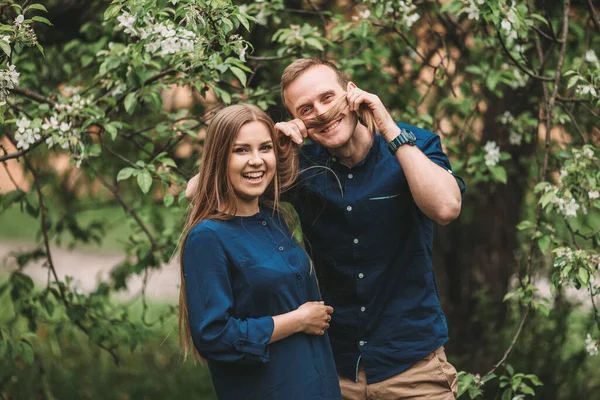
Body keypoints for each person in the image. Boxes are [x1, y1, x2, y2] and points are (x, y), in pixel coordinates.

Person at [187, 58, 464, 399]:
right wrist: (269, 142)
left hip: (412, 368)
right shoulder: (301, 163)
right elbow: (196, 190)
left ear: (351, 93)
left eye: (327, 98)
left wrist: (389, 128)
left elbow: (446, 208)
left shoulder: (410, 144)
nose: (319, 112)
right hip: (334, 371)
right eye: (306, 109)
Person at [179, 104, 342, 400]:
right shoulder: (208, 237)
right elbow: (214, 336)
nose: (256, 161)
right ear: (219, 159)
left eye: (264, 148)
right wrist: (297, 320)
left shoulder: (275, 219)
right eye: (241, 150)